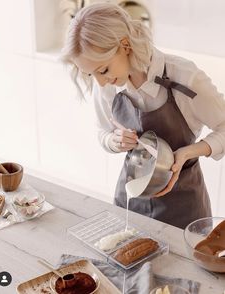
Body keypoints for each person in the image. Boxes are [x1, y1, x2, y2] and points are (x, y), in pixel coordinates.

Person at [61, 3, 225, 229]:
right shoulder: (107, 83)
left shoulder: (185, 76)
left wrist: (188, 152)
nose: (100, 82)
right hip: (131, 197)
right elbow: (103, 132)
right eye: (91, 74)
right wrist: (114, 140)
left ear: (125, 46)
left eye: (103, 70)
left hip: (184, 205)